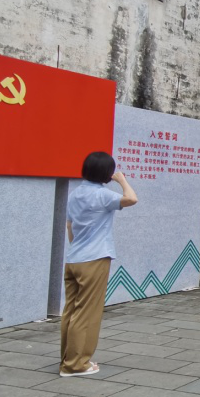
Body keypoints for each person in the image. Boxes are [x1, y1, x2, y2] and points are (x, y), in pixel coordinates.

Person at [61, 152, 137, 377]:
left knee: (71, 311)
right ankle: (75, 365)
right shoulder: (103, 194)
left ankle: (68, 360)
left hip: (74, 259)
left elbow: (69, 226)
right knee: (87, 313)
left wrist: (77, 249)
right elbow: (131, 199)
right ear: (106, 173)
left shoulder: (75, 194)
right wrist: (122, 180)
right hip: (94, 259)